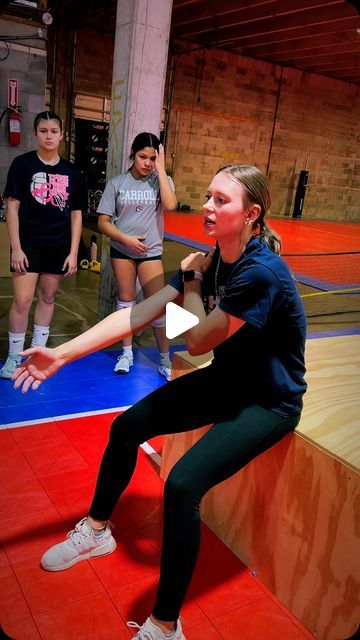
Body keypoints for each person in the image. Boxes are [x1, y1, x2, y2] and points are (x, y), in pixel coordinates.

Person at [13, 165, 307, 640]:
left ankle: (166, 626)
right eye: (208, 195)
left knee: (183, 486)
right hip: (228, 381)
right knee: (127, 426)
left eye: (221, 201)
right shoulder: (209, 261)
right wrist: (61, 355)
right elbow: (138, 315)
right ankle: (97, 529)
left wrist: (191, 285)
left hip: (270, 400)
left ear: (252, 214)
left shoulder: (260, 272)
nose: (207, 207)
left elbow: (196, 341)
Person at [0, 110, 86, 379]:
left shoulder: (73, 172)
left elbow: (76, 214)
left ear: (62, 135)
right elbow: (11, 207)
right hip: (28, 244)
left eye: (54, 131)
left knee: (47, 297)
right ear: (35, 134)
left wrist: (73, 252)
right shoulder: (22, 164)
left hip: (58, 245)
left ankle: (38, 352)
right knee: (23, 300)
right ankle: (14, 356)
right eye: (43, 131)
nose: (49, 136)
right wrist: (16, 247)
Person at [97, 131, 177, 380]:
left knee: (158, 308)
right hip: (123, 251)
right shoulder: (117, 183)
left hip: (151, 252)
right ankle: (127, 353)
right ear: (133, 154)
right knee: (125, 304)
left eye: (153, 158)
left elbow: (171, 205)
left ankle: (165, 359)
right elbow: (103, 222)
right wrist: (125, 239)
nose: (147, 163)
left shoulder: (161, 180)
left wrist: (162, 170)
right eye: (143, 157)